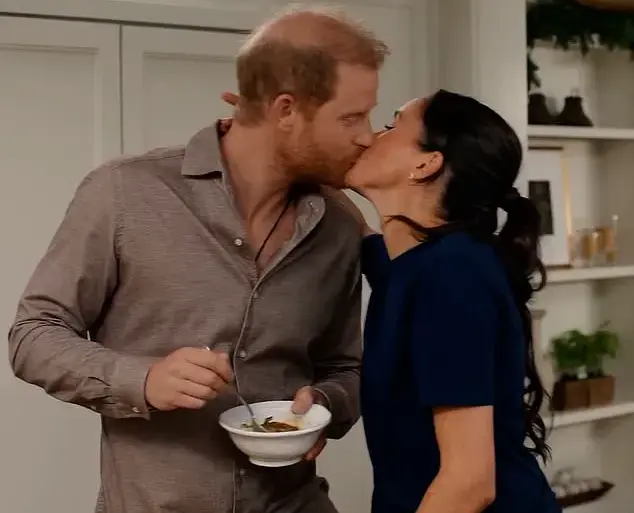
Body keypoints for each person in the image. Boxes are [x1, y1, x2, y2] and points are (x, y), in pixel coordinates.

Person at [7, 7, 388, 513]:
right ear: (286, 110)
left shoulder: (338, 227)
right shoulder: (123, 193)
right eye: (351, 117)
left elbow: (345, 367)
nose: (367, 136)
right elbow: (33, 335)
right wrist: (141, 379)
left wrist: (325, 406)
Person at [338, 91, 562, 513]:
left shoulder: (451, 275)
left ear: (426, 164)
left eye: (391, 126)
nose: (369, 137)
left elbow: (469, 483)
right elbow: (369, 241)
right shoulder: (419, 266)